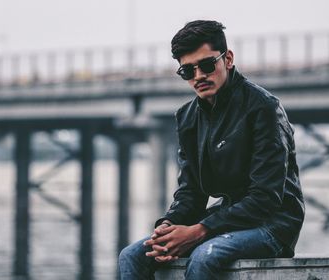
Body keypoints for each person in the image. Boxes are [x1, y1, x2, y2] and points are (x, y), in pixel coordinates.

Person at [118, 20, 305, 280]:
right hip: (224, 220)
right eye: (187, 71)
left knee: (205, 256)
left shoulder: (263, 108)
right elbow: (191, 192)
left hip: (274, 224)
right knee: (131, 255)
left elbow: (266, 198)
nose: (198, 77)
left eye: (207, 65)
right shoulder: (187, 118)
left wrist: (200, 230)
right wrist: (167, 227)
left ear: (227, 59)